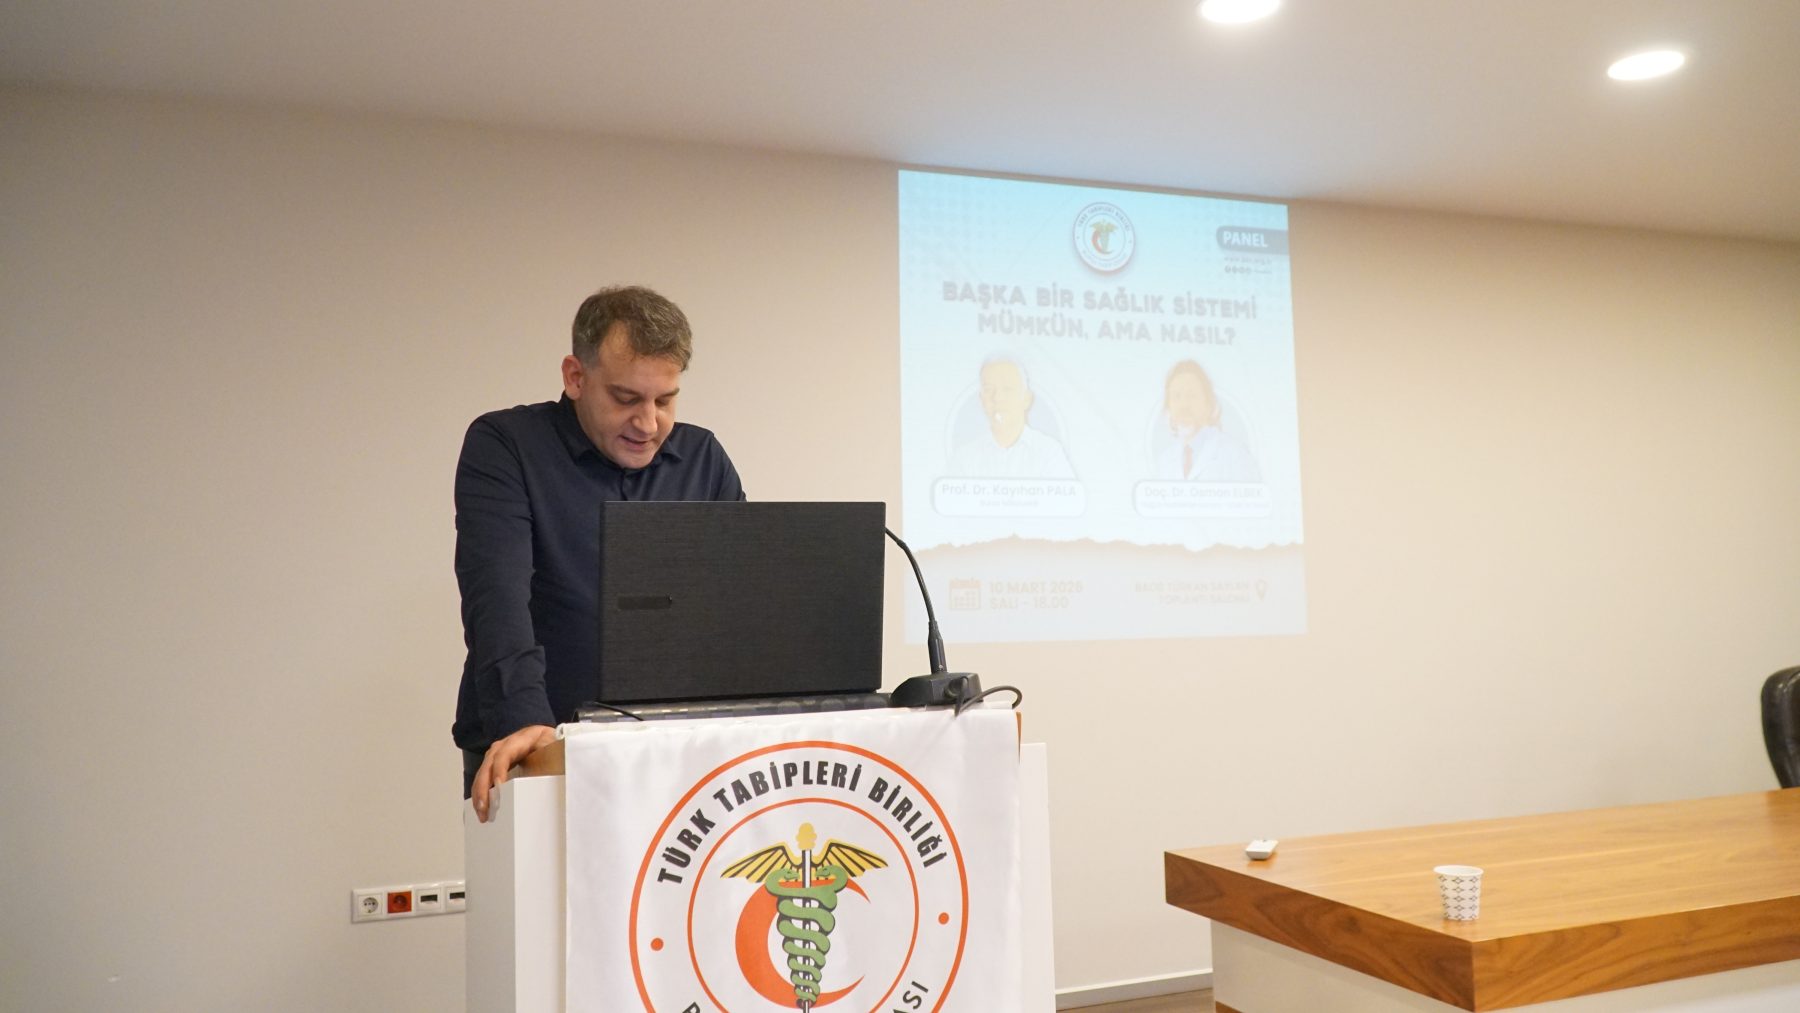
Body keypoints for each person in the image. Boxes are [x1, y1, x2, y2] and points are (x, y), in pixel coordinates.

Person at [452, 285, 744, 821]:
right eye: (626, 399)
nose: (648, 423)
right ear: (575, 377)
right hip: (536, 745)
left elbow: (734, 608)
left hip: (675, 754)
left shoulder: (703, 457)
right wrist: (525, 721)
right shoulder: (506, 446)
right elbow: (497, 595)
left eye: (665, 400)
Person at [946, 358, 1076, 478]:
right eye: (989, 390)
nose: (997, 398)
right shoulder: (964, 458)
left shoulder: (1050, 452)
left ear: (1027, 399)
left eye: (1007, 389)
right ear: (981, 399)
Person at [1156, 360, 1261, 482]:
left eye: (1192, 395)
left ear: (1208, 403)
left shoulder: (1235, 453)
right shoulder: (1165, 461)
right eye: (1176, 396)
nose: (1184, 404)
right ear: (1168, 406)